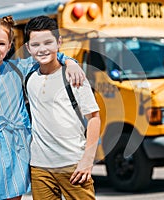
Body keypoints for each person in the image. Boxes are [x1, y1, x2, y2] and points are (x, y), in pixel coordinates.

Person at [0, 11, 85, 200]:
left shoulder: (18, 69)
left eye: (1, 44)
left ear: (9, 46)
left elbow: (47, 54)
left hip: (18, 150)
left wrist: (70, 62)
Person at [24, 15, 101, 200]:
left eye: (48, 42)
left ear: (59, 42)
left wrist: (87, 161)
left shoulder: (74, 76)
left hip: (73, 165)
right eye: (35, 45)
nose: (42, 49)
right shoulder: (29, 77)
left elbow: (94, 118)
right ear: (28, 48)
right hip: (39, 168)